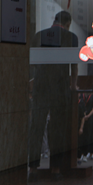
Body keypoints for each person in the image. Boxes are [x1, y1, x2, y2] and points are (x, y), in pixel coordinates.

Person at [29, 11, 79, 172]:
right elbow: (74, 65)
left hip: (41, 87)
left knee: (37, 126)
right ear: (68, 24)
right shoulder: (71, 38)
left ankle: (33, 168)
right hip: (60, 87)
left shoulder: (39, 35)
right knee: (58, 127)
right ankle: (56, 168)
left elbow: (33, 63)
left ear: (54, 20)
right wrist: (73, 86)